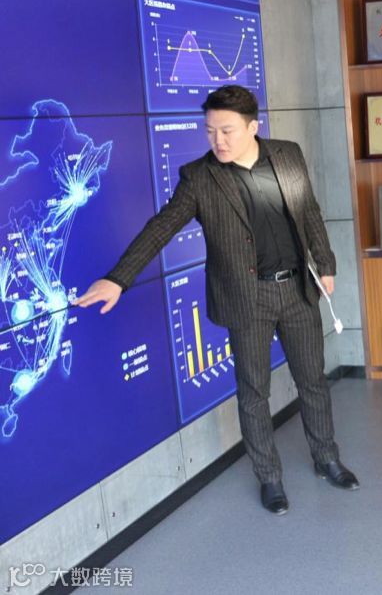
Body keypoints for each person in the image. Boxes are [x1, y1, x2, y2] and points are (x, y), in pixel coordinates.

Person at [77, 85, 357, 516]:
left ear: (253, 127)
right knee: (254, 392)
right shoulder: (200, 178)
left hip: (298, 290)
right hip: (247, 298)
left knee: (312, 381)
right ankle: (269, 478)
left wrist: (326, 263)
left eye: (227, 131)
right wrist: (118, 279)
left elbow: (309, 211)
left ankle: (327, 458)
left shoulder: (287, 155)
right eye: (210, 131)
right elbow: (161, 228)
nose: (217, 140)